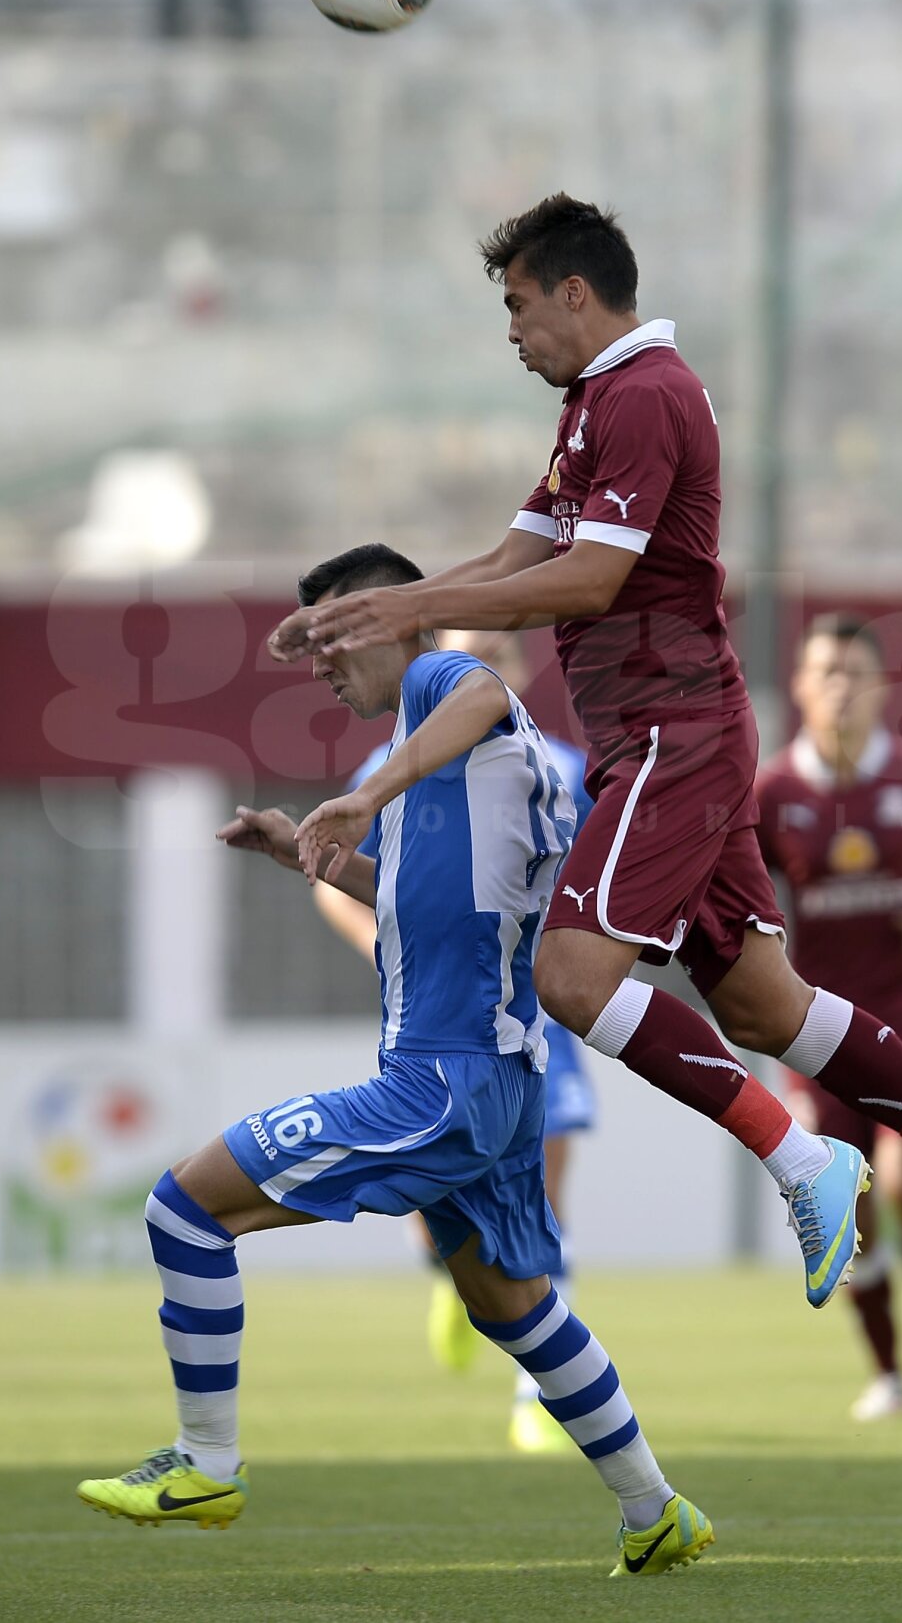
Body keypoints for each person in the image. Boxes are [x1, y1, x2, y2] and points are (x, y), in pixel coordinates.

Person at [268, 193, 902, 1324]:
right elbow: (518, 552)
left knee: (571, 977)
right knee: (763, 1004)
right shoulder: (595, 404)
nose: (510, 331)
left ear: (574, 292)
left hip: (670, 733)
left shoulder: (646, 394)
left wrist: (399, 606)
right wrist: (385, 608)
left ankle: (802, 1160)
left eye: (516, 304)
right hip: (665, 734)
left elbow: (587, 582)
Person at [77, 542, 714, 1578]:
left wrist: (374, 794)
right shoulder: (448, 763)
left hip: (444, 1078)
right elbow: (437, 906)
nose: (325, 663)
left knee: (184, 1207)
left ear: (390, 617)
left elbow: (480, 692)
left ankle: (206, 1461)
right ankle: (656, 1506)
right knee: (512, 1302)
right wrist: (310, 853)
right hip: (500, 1080)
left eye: (336, 634)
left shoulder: (442, 684)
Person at [313, 622, 597, 1454]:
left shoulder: (567, 771)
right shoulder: (387, 771)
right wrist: (385, 941)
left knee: (543, 1197)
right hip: (436, 1014)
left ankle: (534, 1394)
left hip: (535, 1008)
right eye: (468, 656)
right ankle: (448, 1273)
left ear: (517, 669)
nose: (483, 670)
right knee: (438, 1204)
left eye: (497, 656)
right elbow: (334, 873)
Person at [757, 614, 902, 1420]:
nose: (841, 687)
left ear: (883, 687)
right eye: (826, 671)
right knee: (849, 1207)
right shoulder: (772, 792)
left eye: (856, 672)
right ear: (801, 687)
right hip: (814, 1029)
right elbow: (733, 889)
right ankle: (889, 1373)